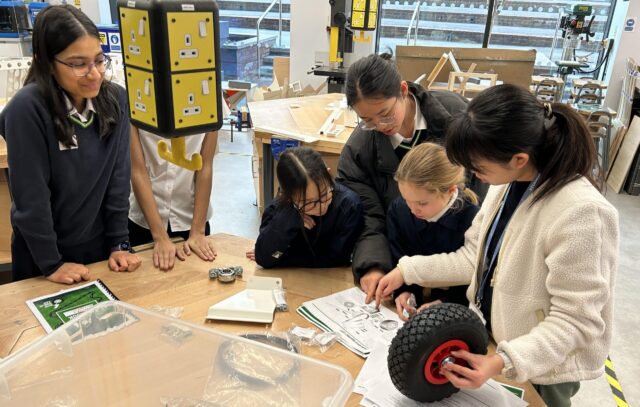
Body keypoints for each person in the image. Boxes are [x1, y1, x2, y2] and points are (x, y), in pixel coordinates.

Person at [375, 84, 618, 407]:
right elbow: (472, 260)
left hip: (544, 371)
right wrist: (406, 271)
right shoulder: (509, 187)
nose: (474, 177)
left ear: (519, 159)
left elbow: (577, 321)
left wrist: (503, 360)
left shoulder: (582, 213)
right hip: (500, 346)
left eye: (479, 169)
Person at [0, 5, 141, 284]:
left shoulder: (114, 100)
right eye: (78, 64)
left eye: (99, 60)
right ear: (46, 62)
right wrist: (52, 264)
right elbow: (32, 199)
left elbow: (118, 178)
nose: (94, 74)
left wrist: (119, 243)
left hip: (97, 246)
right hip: (43, 257)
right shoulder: (27, 110)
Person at [337, 53, 476, 303]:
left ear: (403, 90)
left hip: (462, 278)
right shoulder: (359, 151)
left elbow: (481, 216)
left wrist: (454, 297)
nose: (380, 125)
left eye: (385, 113)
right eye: (367, 120)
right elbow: (370, 217)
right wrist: (374, 266)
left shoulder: (459, 120)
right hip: (403, 273)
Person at [387, 143, 479, 320]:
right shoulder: (399, 210)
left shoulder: (472, 218)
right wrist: (404, 291)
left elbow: (473, 277)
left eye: (422, 203)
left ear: (451, 190)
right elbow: (399, 256)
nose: (413, 210)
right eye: (407, 199)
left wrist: (446, 302)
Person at [247, 147, 363, 268]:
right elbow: (264, 258)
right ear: (287, 195)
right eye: (309, 203)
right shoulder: (281, 207)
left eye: (324, 195)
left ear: (328, 174)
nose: (320, 207)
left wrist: (284, 258)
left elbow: (337, 259)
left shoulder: (349, 206)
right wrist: (289, 219)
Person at [128, 126, 218, 271]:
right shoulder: (133, 103)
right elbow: (138, 170)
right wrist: (160, 237)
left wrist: (198, 232)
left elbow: (205, 166)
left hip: (193, 218)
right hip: (145, 220)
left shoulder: (211, 102)